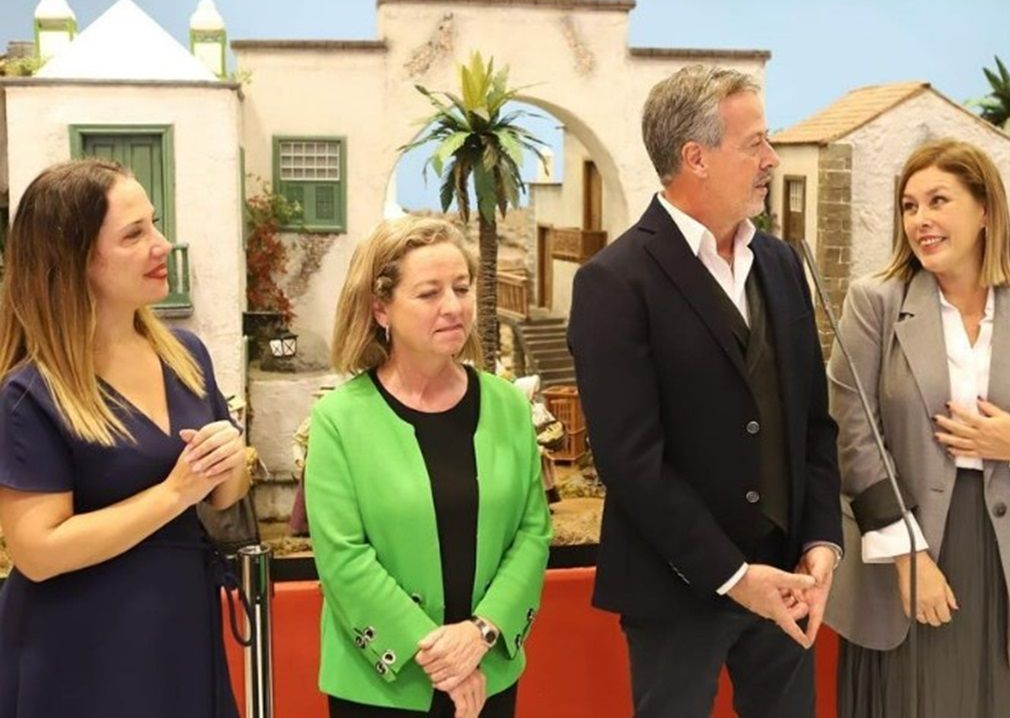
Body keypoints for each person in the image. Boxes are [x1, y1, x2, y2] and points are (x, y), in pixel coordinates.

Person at [568, 64, 843, 717]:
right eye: (755, 144)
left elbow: (812, 423)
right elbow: (631, 463)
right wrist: (735, 577)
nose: (772, 159)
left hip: (788, 579)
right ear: (695, 157)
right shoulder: (615, 282)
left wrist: (821, 541)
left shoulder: (780, 263)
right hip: (675, 591)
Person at [823, 139, 1010, 718]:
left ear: (985, 208)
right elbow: (852, 435)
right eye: (909, 206)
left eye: (938, 200)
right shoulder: (875, 302)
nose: (921, 220)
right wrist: (908, 556)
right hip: (903, 549)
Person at [0, 159, 248, 717]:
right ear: (76, 259)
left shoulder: (186, 356)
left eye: (154, 225)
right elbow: (37, 552)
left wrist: (230, 460)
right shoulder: (29, 393)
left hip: (180, 625)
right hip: (80, 647)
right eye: (135, 234)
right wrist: (172, 494)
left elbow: (225, 494)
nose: (161, 245)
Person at [305, 216, 551, 718]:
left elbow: (532, 532)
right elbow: (343, 559)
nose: (454, 307)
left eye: (461, 288)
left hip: (489, 672)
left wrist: (480, 633)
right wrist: (444, 661)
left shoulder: (507, 405)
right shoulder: (339, 419)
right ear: (381, 309)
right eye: (429, 293)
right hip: (381, 685)